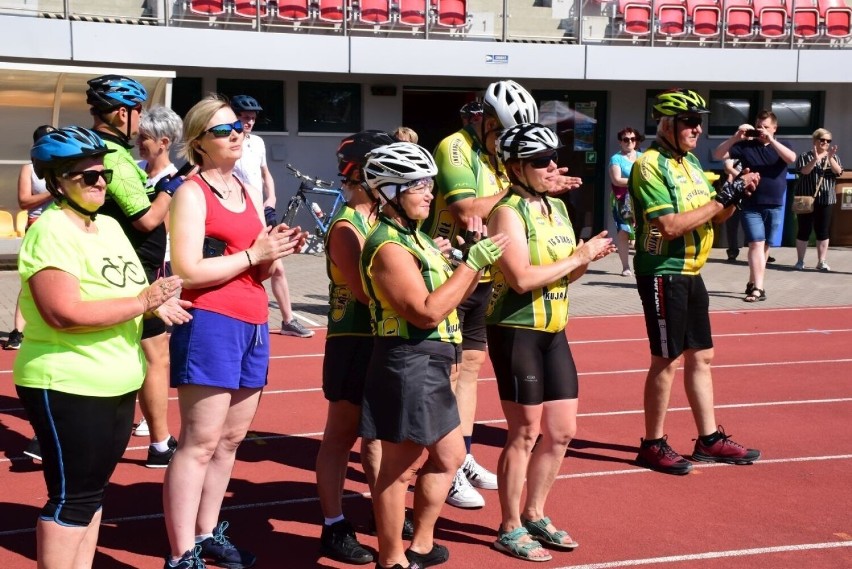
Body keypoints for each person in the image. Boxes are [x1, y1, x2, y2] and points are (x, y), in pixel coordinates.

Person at [15, 126, 190, 569]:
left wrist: (156, 304)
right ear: (56, 183)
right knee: (71, 500)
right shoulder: (50, 231)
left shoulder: (110, 226)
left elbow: (131, 292)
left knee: (92, 496)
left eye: (103, 175)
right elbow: (62, 312)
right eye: (86, 177)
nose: (99, 184)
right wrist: (140, 302)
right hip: (68, 382)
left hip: (117, 381)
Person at [163, 95, 306, 569]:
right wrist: (252, 254)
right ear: (198, 142)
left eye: (238, 129)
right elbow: (187, 269)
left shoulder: (243, 188)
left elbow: (252, 271)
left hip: (252, 321)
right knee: (200, 441)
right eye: (224, 130)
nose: (237, 135)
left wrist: (274, 253)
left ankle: (207, 534)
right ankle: (181, 553)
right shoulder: (190, 192)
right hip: (211, 322)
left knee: (228, 441)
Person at [359, 142, 507, 569]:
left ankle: (421, 546)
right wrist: (471, 264)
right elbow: (425, 312)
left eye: (429, 184)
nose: (429, 193)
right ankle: (391, 558)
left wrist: (464, 260)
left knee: (450, 457)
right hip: (409, 359)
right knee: (399, 468)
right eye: (418, 185)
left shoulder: (416, 237)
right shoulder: (388, 245)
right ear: (389, 191)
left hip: (433, 360)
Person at [487, 124, 615, 562]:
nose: (551, 167)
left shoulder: (556, 208)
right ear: (516, 166)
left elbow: (566, 271)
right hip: (516, 328)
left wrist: (587, 257)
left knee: (561, 432)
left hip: (554, 328)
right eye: (540, 161)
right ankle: (508, 526)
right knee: (524, 433)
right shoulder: (507, 213)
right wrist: (578, 257)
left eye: (553, 158)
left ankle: (535, 513)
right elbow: (520, 278)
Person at [630, 88, 762, 476]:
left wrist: (735, 194)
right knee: (666, 360)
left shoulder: (689, 163)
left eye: (699, 122)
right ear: (666, 124)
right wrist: (723, 197)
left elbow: (716, 217)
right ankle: (652, 444)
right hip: (662, 270)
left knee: (702, 356)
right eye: (689, 121)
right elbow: (669, 226)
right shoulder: (649, 165)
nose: (697, 129)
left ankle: (708, 440)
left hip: (691, 271)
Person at [87, 74, 181, 468]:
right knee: (151, 352)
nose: (140, 122)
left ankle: (156, 439)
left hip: (119, 263)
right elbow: (145, 219)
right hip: (132, 269)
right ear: (123, 113)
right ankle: (158, 443)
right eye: (138, 112)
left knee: (138, 348)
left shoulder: (97, 147)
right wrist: (173, 186)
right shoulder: (116, 156)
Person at [316, 129, 395, 565]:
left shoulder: (380, 217)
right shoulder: (348, 224)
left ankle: (382, 513)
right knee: (341, 437)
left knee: (379, 437)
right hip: (351, 340)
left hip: (379, 338)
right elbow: (368, 292)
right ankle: (333, 525)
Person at [231, 94, 314, 338]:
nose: (249, 122)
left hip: (261, 211)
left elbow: (265, 173)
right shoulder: (228, 142)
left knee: (277, 266)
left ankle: (288, 319)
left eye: (252, 118)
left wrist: (272, 197)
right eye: (244, 117)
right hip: (239, 211)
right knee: (249, 266)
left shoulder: (257, 143)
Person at [132, 105, 185, 440]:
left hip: (161, 269)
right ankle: (150, 418)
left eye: (144, 138)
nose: (138, 142)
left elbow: (167, 229)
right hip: (134, 268)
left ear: (163, 142)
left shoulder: (176, 182)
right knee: (141, 348)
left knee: (156, 352)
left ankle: (154, 423)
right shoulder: (135, 171)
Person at [712, 110, 796, 302]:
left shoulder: (783, 145)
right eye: (759, 126)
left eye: (766, 127)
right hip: (750, 202)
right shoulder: (745, 146)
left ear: (775, 128)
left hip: (775, 204)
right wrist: (735, 137)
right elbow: (717, 154)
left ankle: (753, 281)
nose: (761, 130)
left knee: (765, 246)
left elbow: (791, 159)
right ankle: (758, 288)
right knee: (755, 243)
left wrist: (771, 140)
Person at [5, 125, 56, 353]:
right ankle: (18, 331)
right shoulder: (29, 169)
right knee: (30, 279)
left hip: (62, 226)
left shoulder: (63, 165)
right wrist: (53, 192)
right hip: (37, 227)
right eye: (45, 140)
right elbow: (24, 201)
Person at [794, 128, 843, 271]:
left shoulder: (833, 156)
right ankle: (800, 261)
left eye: (828, 141)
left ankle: (821, 261)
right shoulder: (804, 156)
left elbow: (838, 172)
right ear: (815, 141)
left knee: (823, 231)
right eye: (823, 140)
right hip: (805, 197)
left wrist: (830, 158)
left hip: (826, 199)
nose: (825, 143)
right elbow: (804, 171)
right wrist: (815, 159)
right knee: (803, 229)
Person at [608, 126, 644, 276]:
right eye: (626, 139)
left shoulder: (643, 157)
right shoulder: (616, 159)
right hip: (622, 200)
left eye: (632, 139)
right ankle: (625, 267)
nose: (629, 142)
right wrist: (637, 181)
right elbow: (616, 180)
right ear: (620, 142)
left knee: (642, 232)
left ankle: (642, 265)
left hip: (640, 199)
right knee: (623, 232)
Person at [723, 156, 744, 262]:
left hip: (750, 189)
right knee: (732, 222)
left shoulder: (756, 152)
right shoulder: (734, 153)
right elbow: (727, 169)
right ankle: (732, 251)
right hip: (735, 191)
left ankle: (763, 252)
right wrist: (744, 177)